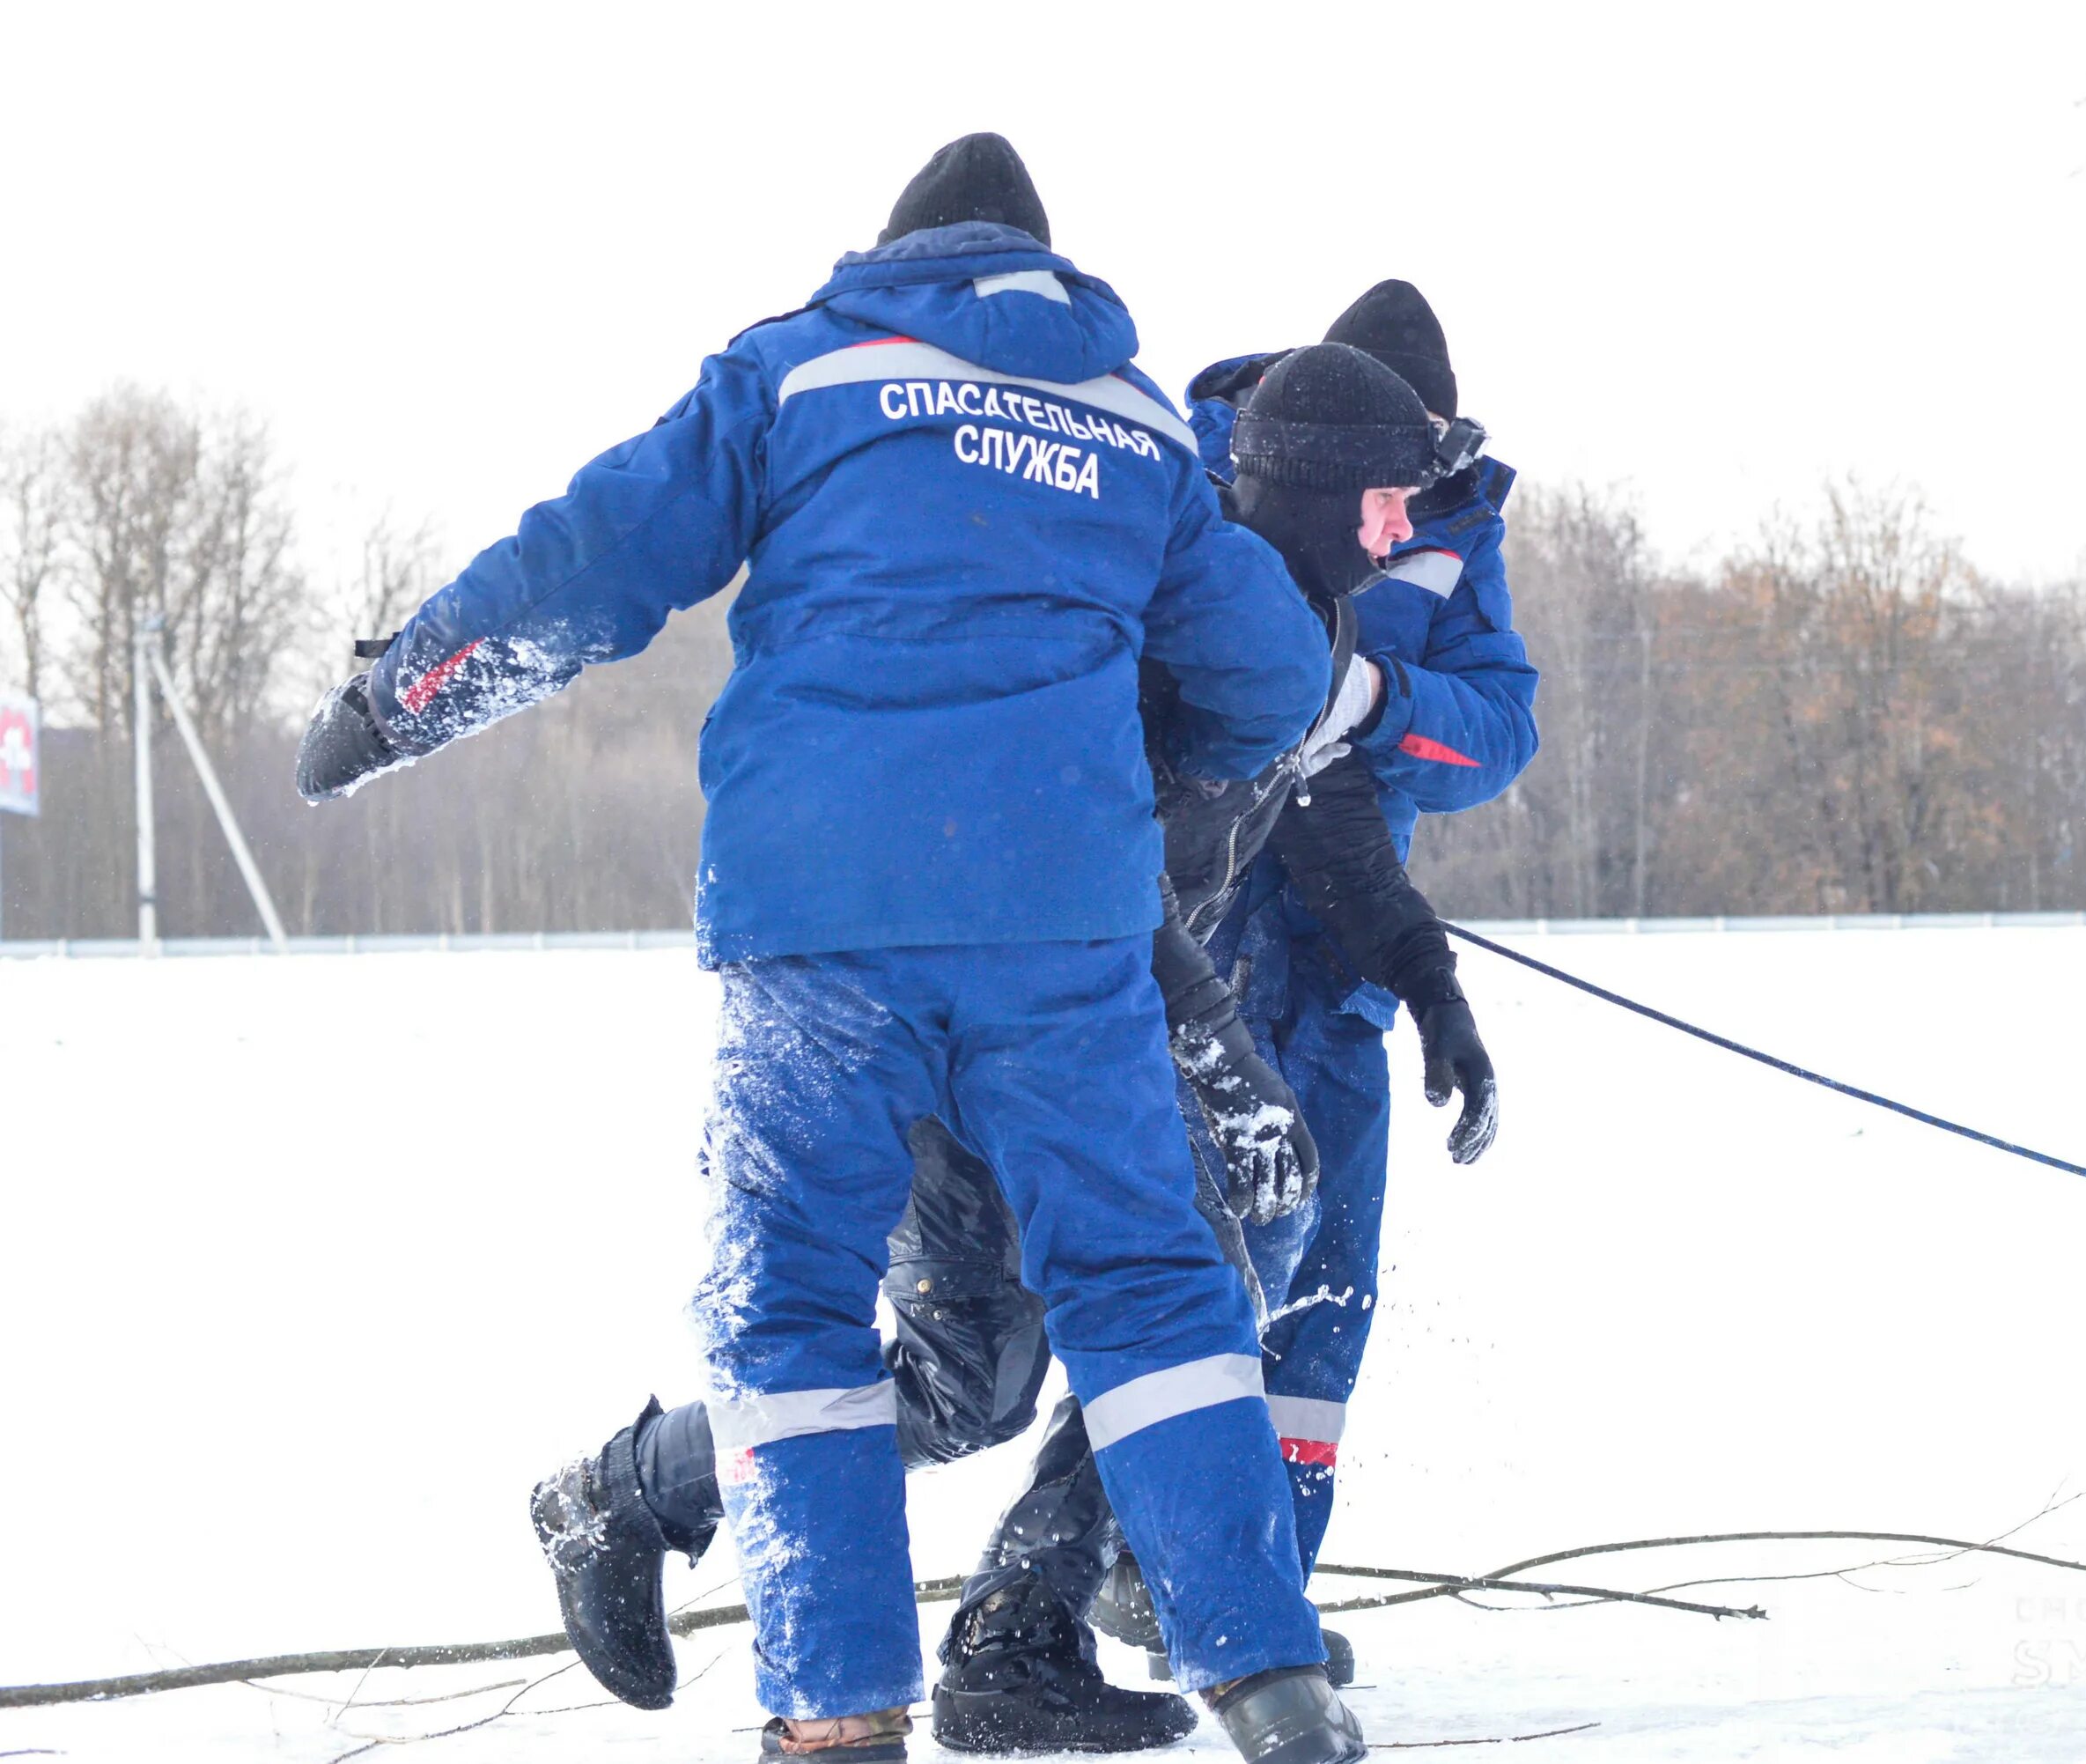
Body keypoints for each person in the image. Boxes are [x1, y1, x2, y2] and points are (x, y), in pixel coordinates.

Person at [294, 135, 1364, 1764]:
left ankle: (837, 1715)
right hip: (1059, 935)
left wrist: (396, 697)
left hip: (817, 933)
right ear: (1042, 269)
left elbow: (594, 561)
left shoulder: (800, 372)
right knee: (1149, 1289)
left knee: (794, 1307)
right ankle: (1269, 1680)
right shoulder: (1136, 419)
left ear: (897, 252)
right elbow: (1278, 685)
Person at [534, 343, 1499, 1759]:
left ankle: (1019, 1626)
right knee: (1001, 1367)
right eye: (1392, 497)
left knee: (1181, 1283)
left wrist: (1430, 981)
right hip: (997, 995)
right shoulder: (1174, 612)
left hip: (1095, 1016)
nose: (1412, 530)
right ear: (1321, 488)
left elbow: (1326, 812)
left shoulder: (1317, 631)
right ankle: (630, 1492)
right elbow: (1088, 862)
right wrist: (1218, 1047)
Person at [1168, 284, 1538, 1679]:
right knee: (1197, 1267)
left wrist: (1378, 710)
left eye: (1425, 469)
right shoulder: (1207, 485)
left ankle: (1256, 1590)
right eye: (1390, 477)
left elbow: (1499, 732)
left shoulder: (1458, 525)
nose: (1404, 513)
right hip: (1187, 935)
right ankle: (1142, 1562)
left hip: (1349, 943)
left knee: (1325, 1283)